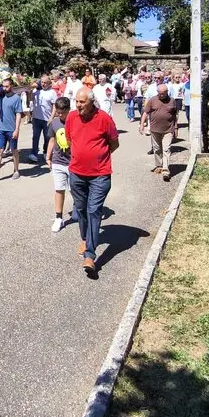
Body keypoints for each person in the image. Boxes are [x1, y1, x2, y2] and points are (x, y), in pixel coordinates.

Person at [66, 89, 119, 277]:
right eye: (76, 101)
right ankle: (84, 237)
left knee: (93, 210)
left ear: (92, 102)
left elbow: (114, 143)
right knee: (79, 209)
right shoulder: (72, 118)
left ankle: (90, 255)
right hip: (77, 173)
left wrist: (98, 157)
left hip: (100, 175)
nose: (78, 105)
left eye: (82, 102)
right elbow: (70, 139)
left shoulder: (104, 118)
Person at [0, 78, 25, 183]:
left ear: (11, 86)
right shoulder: (0, 96)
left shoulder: (16, 98)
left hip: (11, 129)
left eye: (7, 86)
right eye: (3, 86)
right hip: (1, 129)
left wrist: (17, 129)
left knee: (14, 151)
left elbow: (18, 114)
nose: (4, 88)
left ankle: (16, 170)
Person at [46, 97, 73, 233]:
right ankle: (58, 217)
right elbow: (52, 140)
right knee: (59, 189)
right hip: (58, 161)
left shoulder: (75, 121)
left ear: (68, 110)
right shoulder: (54, 123)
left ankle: (79, 209)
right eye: (58, 112)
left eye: (62, 112)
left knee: (75, 190)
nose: (60, 115)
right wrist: (48, 156)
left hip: (73, 162)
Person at [141, 84, 179, 182]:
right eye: (160, 93)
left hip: (168, 130)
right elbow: (145, 112)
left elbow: (175, 115)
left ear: (167, 92)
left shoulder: (172, 101)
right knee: (157, 149)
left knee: (166, 149)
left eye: (163, 93)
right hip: (155, 130)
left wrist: (175, 127)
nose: (161, 95)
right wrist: (142, 125)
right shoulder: (152, 100)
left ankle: (165, 170)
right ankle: (159, 165)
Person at [29, 75, 58, 163]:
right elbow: (30, 100)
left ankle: (46, 152)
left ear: (49, 83)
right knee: (35, 137)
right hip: (36, 118)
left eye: (45, 82)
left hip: (47, 119)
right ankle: (34, 154)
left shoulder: (52, 92)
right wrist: (30, 92)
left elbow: (54, 106)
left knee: (47, 137)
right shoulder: (37, 91)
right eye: (42, 82)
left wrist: (51, 117)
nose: (43, 84)